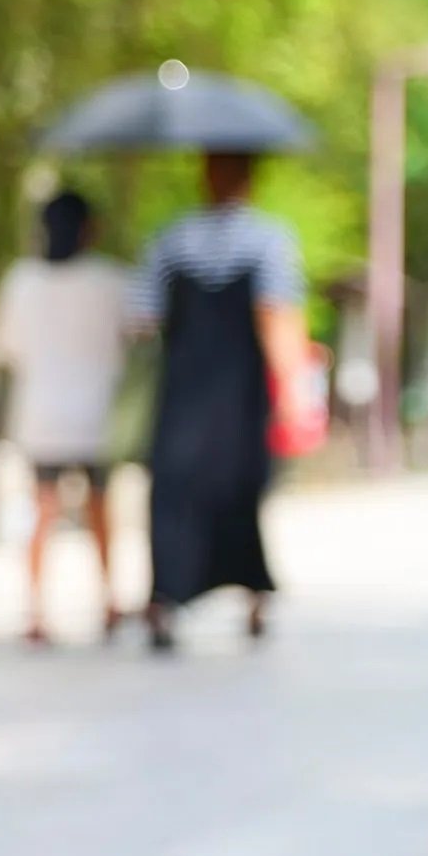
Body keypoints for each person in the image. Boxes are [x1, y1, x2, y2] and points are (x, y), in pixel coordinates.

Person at [128, 153, 309, 654]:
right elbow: (277, 315)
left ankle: (166, 598)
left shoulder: (169, 239)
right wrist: (293, 389)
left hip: (183, 388)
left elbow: (143, 319)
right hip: (240, 394)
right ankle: (252, 594)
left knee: (173, 490)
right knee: (240, 489)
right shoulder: (269, 239)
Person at [0, 191, 130, 644]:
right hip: (95, 412)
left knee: (42, 506)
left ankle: (35, 610)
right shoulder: (111, 280)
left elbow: (5, 346)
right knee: (101, 506)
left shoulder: (22, 281)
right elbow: (135, 335)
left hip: (42, 410)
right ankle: (108, 599)